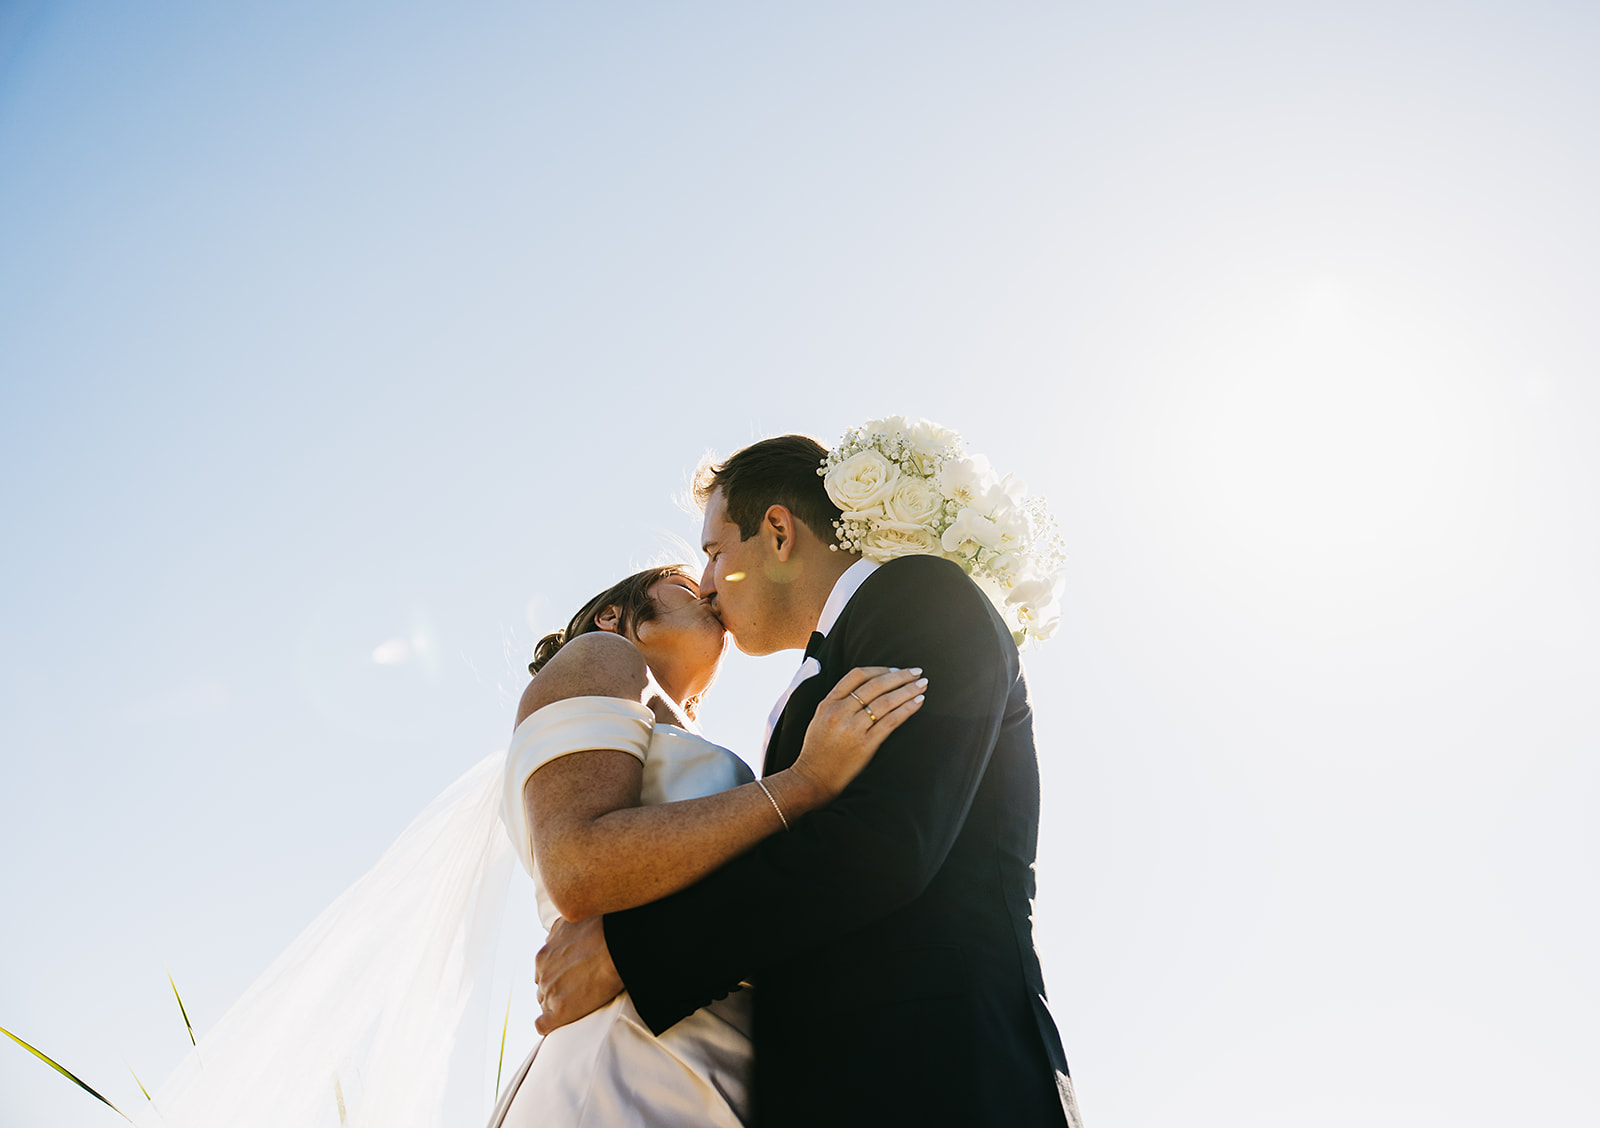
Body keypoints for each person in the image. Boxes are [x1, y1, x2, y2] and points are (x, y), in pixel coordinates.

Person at [533, 436, 1084, 1128]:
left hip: (946, 1078)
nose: (705, 585)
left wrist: (634, 952)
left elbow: (884, 841)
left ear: (779, 531)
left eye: (713, 552)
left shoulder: (921, 595)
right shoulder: (819, 676)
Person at [489, 563, 927, 1127]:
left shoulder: (688, 737)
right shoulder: (602, 655)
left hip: (725, 1061)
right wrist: (805, 784)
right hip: (627, 1064)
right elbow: (577, 864)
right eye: (690, 586)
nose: (713, 589)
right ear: (612, 614)